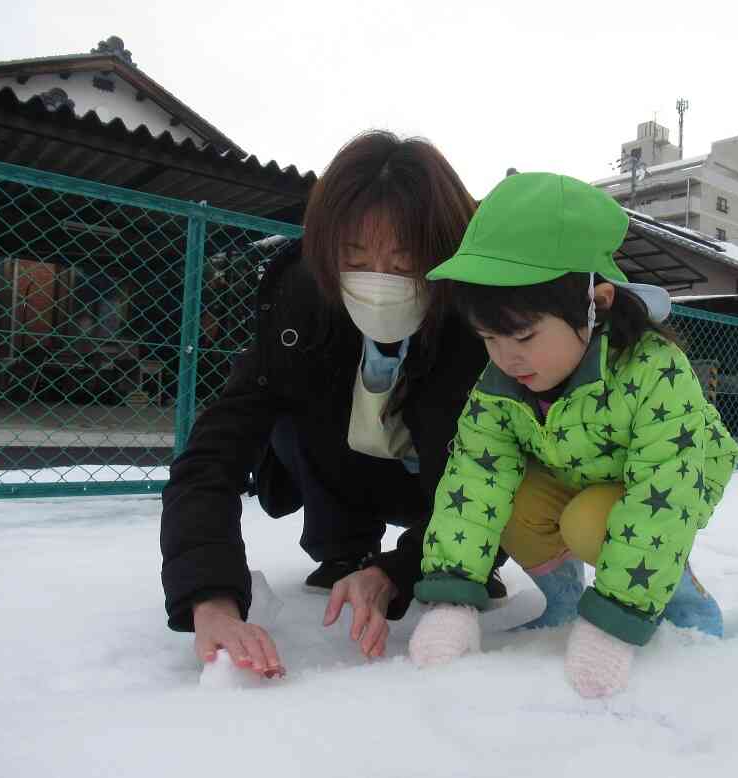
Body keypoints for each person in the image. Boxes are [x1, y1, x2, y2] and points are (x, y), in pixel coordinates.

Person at [160, 131, 506, 680]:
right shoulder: (301, 307)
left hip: (441, 487)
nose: (379, 280)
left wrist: (402, 570)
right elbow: (212, 454)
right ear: (328, 253)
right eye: (356, 257)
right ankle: (343, 547)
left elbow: (501, 471)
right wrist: (211, 597)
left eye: (404, 261)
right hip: (348, 473)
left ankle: (452, 561)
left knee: (480, 492)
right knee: (286, 413)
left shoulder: (479, 323)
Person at [407, 172, 738, 698]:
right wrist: (453, 601)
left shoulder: (654, 371)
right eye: (487, 337)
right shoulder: (500, 382)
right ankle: (562, 602)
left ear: (598, 303)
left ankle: (682, 599)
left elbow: (664, 493)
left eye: (523, 335)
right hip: (581, 471)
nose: (505, 357)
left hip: (674, 480)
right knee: (507, 496)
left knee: (589, 521)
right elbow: (472, 482)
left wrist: (614, 623)